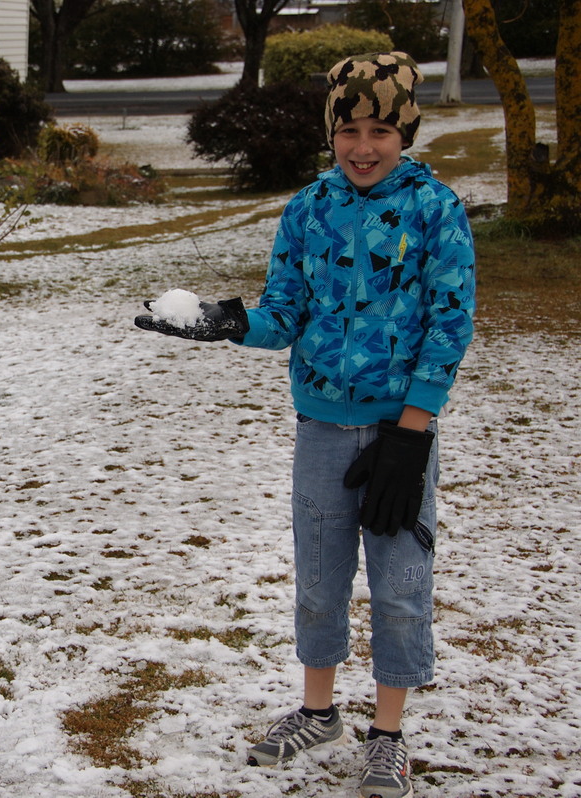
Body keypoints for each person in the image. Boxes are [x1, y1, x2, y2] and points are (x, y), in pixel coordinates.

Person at [135, 52, 476, 798]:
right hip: (321, 427)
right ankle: (318, 712)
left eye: (380, 128)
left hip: (399, 433)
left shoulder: (434, 209)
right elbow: (285, 314)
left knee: (399, 581)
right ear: (331, 133)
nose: (363, 146)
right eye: (349, 129)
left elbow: (449, 323)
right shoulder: (308, 209)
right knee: (320, 581)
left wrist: (413, 431)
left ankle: (387, 734)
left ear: (404, 131)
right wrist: (228, 322)